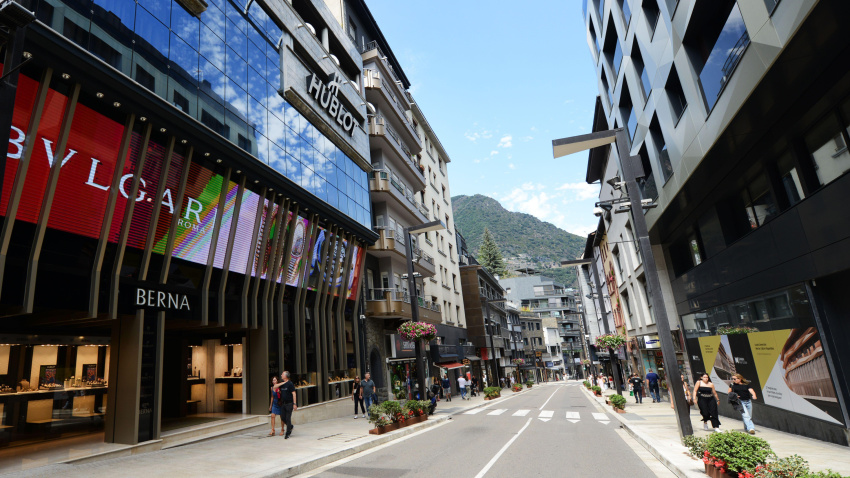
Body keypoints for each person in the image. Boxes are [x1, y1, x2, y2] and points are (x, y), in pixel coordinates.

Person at [271, 371, 297, 438]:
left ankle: (287, 433)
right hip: (283, 404)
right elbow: (274, 387)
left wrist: (294, 404)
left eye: (282, 374)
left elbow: (294, 393)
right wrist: (284, 382)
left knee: (288, 418)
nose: (281, 375)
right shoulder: (282, 384)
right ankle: (290, 426)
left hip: (289, 404)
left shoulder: (290, 384)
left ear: (285, 376)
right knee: (283, 418)